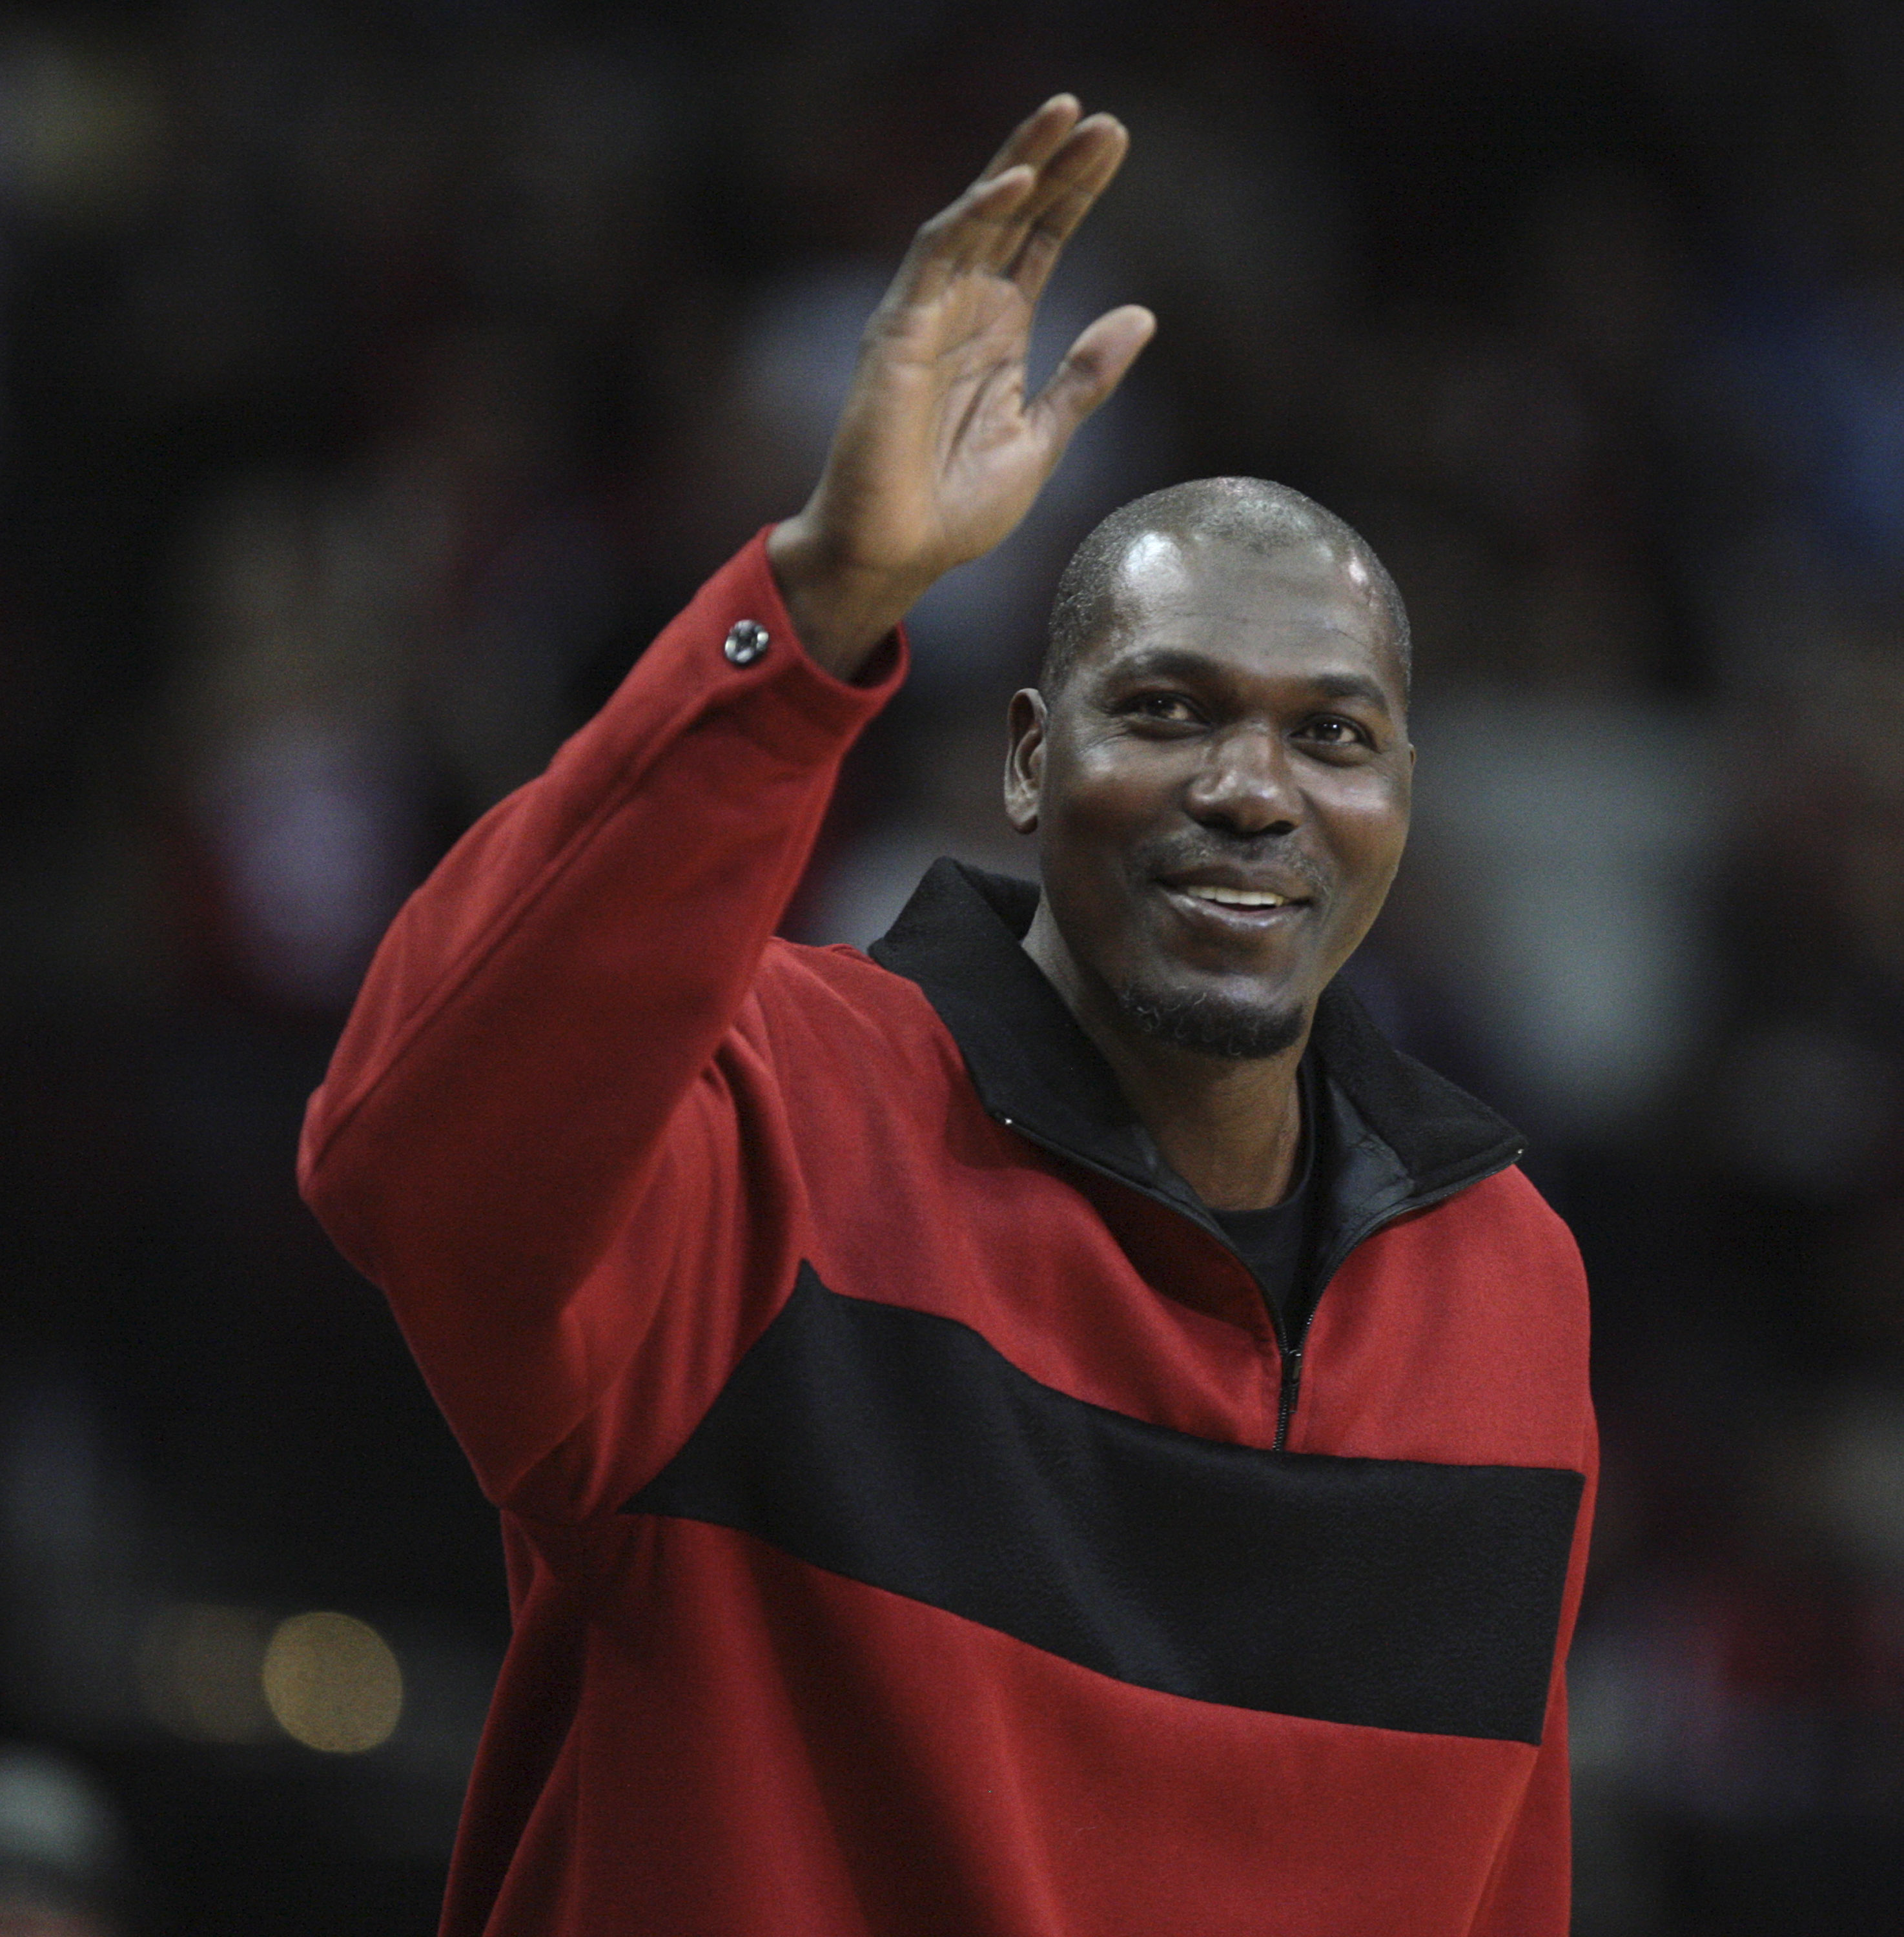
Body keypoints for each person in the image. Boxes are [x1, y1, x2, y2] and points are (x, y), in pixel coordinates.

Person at [300, 96, 1594, 1937]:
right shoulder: (767, 1113)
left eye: (1333, 735)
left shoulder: (1506, 1278)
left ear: (1404, 800)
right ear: (1027, 759)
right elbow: (409, 1158)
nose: (1254, 791)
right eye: (1167, 710)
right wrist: (823, 596)